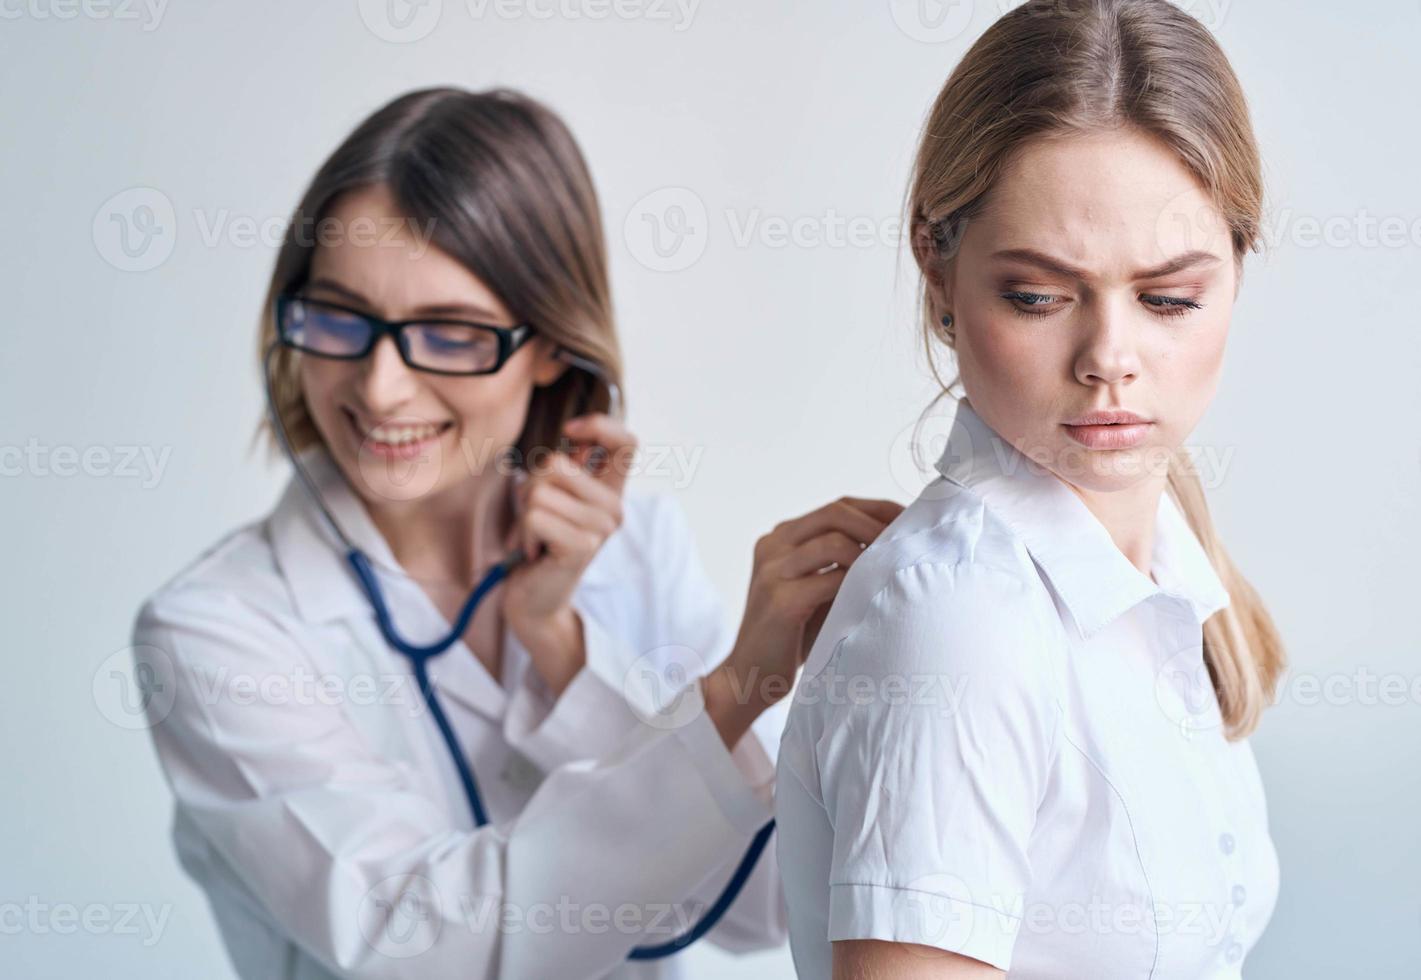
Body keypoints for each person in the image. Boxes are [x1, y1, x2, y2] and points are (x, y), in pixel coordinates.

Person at [131, 86, 901, 979]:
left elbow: (760, 906)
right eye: (340, 317)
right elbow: (419, 940)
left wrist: (563, 646)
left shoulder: (637, 548)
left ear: (547, 346)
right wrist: (730, 691)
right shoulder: (216, 628)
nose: (380, 388)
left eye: (448, 333)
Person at [774, 1, 1287, 976]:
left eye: (1168, 297)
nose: (1108, 359)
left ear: (1236, 266)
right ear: (938, 268)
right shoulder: (956, 616)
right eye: (1038, 295)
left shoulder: (1165, 572)